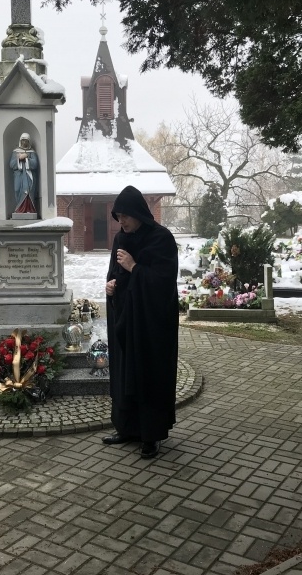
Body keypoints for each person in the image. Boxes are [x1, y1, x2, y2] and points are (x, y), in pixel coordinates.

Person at [103, 185, 179, 459]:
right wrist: (110, 286)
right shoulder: (120, 239)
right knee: (125, 374)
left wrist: (134, 267)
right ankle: (127, 428)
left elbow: (164, 282)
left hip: (150, 324)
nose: (121, 222)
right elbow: (114, 272)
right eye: (117, 216)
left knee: (149, 375)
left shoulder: (161, 239)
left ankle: (151, 435)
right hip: (125, 319)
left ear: (138, 213)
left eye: (125, 216)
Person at [10, 133, 39, 214]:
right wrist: (19, 159)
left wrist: (26, 158)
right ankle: (19, 209)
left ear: (28, 142)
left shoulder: (31, 152)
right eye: (23, 141)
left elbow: (35, 164)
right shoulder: (15, 152)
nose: (24, 143)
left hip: (29, 176)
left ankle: (29, 209)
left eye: (26, 141)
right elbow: (11, 164)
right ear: (20, 141)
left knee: (27, 189)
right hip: (18, 176)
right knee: (17, 189)